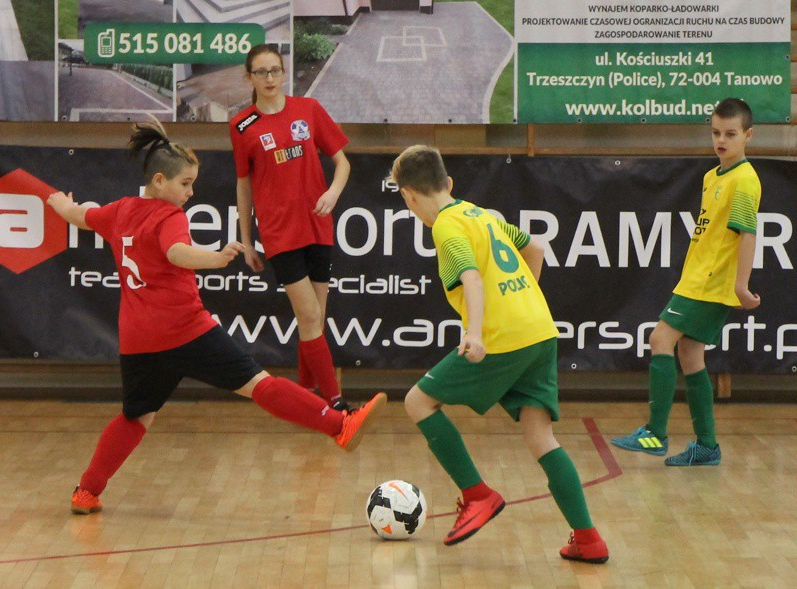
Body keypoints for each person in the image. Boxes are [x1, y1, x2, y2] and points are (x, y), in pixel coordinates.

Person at [47, 118, 386, 515]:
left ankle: (86, 490)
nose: (190, 193)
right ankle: (340, 425)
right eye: (185, 183)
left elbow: (79, 215)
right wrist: (216, 257)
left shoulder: (119, 211)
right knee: (259, 384)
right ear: (159, 180)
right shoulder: (170, 217)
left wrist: (60, 204)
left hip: (138, 340)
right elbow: (176, 253)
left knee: (136, 416)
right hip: (185, 331)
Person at [389, 145, 609, 563]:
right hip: (540, 330)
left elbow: (471, 277)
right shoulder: (481, 214)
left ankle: (478, 495)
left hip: (502, 337)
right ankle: (588, 538)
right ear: (448, 183)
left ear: (409, 196)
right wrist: (522, 302)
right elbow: (535, 249)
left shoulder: (446, 227)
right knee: (540, 437)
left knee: (418, 401)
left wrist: (474, 334)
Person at [611, 98, 761, 466]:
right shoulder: (713, 177)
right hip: (696, 279)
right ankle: (707, 446)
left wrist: (741, 285)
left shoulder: (744, 180)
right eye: (716, 133)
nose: (721, 140)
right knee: (690, 354)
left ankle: (655, 433)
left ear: (748, 135)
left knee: (659, 338)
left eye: (730, 134)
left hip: (710, 282)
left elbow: (747, 234)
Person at [229, 44, 351, 411]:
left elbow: (343, 163)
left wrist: (332, 192)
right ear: (249, 78)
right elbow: (243, 183)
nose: (269, 78)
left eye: (275, 70)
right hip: (280, 234)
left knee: (314, 320)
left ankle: (305, 398)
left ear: (284, 73)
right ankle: (336, 405)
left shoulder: (308, 109)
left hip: (318, 225)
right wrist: (247, 240)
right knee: (310, 317)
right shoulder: (242, 125)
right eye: (261, 72)